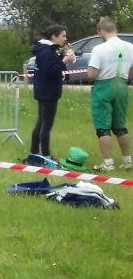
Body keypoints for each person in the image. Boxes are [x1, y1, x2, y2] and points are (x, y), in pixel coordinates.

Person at [86, 17, 133, 171]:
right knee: (120, 126)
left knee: (103, 127)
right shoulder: (130, 47)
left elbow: (92, 74)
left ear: (101, 32)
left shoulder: (99, 49)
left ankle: (108, 163)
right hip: (122, 84)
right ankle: (128, 161)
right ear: (116, 30)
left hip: (104, 85)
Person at [28, 24, 75, 164]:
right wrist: (64, 61)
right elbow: (50, 71)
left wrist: (63, 54)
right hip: (48, 92)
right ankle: (45, 155)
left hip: (45, 90)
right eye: (63, 36)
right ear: (54, 36)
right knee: (45, 125)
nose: (65, 39)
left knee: (41, 122)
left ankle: (35, 152)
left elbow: (53, 65)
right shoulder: (46, 51)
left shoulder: (47, 49)